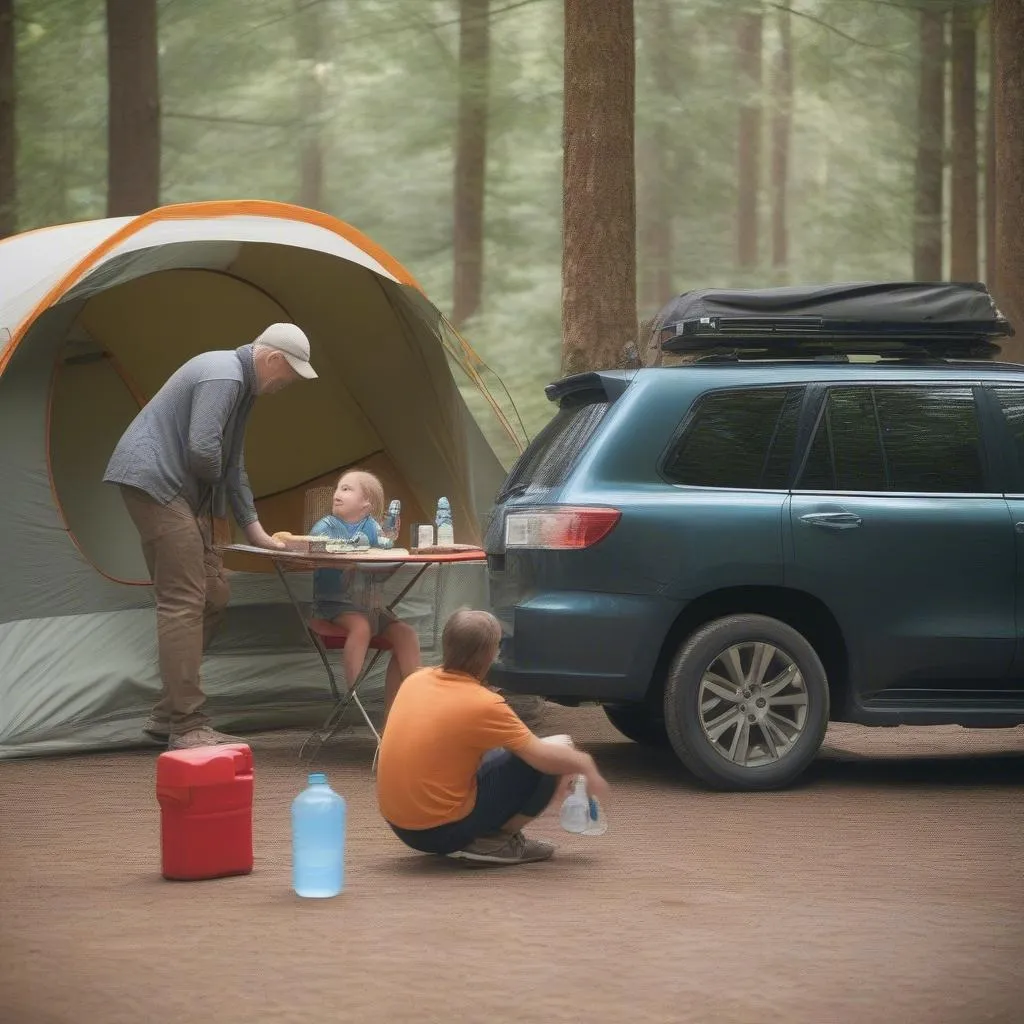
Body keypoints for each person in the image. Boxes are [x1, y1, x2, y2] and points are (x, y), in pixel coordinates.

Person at [103, 323, 317, 750]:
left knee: (214, 595)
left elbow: (231, 463)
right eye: (289, 373)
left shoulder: (242, 388)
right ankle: (187, 724)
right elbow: (204, 451)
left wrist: (256, 532)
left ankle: (168, 713)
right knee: (183, 599)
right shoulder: (225, 373)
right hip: (156, 486)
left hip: (179, 493)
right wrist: (212, 510)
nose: (286, 384)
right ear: (273, 359)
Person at [376, 608, 611, 866]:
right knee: (556, 751)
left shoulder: (416, 681)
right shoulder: (485, 704)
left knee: (502, 749)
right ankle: (492, 843)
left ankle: (481, 838)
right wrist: (585, 764)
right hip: (440, 833)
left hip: (400, 825)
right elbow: (542, 758)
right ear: (490, 654)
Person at [309, 470, 421, 714]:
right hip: (335, 605)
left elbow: (382, 555)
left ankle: (407, 709)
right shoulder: (326, 525)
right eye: (338, 488)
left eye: (347, 489)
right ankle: (352, 697)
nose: (338, 494)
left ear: (366, 503)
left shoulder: (372, 527)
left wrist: (389, 545)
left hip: (369, 604)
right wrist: (349, 558)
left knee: (406, 634)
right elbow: (316, 549)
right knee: (361, 627)